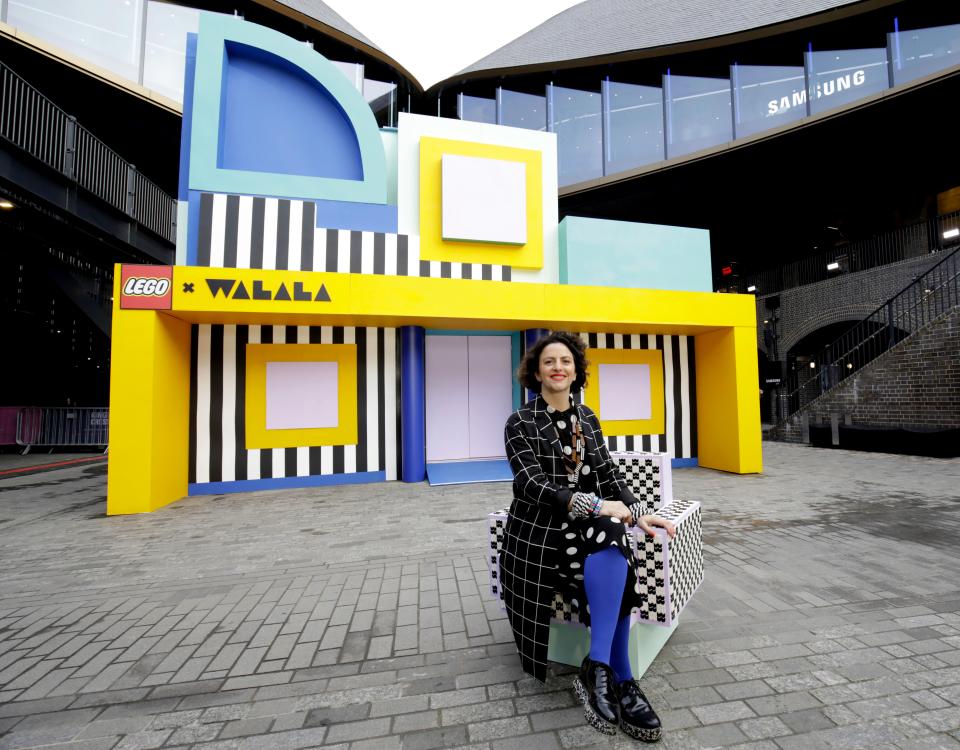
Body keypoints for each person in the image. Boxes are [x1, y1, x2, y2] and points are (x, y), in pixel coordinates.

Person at [501, 331, 675, 742]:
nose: (558, 367)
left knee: (615, 534)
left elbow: (610, 475)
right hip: (541, 534)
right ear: (536, 373)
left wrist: (639, 512)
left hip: (588, 531)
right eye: (549, 361)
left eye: (565, 361)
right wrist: (597, 506)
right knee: (614, 542)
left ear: (576, 370)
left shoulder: (588, 418)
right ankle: (623, 680)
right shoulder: (520, 422)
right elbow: (531, 485)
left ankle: (599, 670)